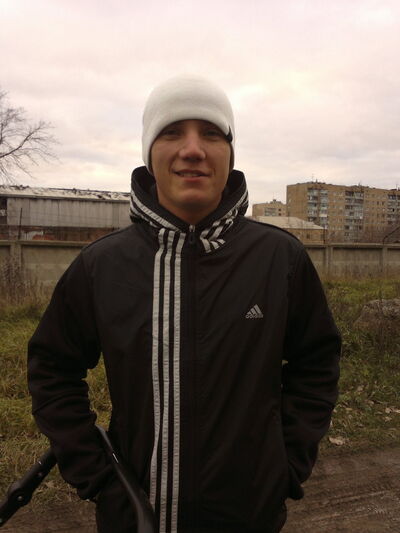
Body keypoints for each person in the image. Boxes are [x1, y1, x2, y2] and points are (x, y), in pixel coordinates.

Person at [28, 75, 341, 533]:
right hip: (133, 518)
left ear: (230, 154)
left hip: (250, 517)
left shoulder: (281, 260)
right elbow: (53, 369)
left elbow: (317, 363)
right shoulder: (101, 266)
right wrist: (100, 478)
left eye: (211, 133)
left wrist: (285, 465)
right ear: (149, 154)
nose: (192, 149)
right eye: (172, 132)